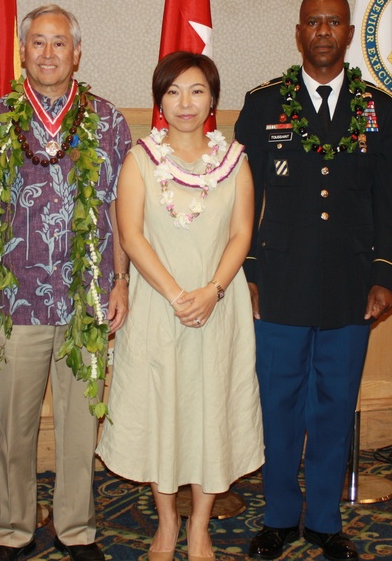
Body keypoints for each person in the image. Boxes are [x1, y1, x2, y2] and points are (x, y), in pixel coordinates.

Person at [234, 0, 392, 561]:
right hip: (278, 283)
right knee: (278, 403)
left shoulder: (377, 107)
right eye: (314, 22)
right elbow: (242, 197)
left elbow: (391, 197)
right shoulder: (263, 105)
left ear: (350, 31)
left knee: (334, 404)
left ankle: (326, 521)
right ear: (299, 32)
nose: (325, 31)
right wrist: (248, 273)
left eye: (335, 22)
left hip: (350, 285)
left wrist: (385, 274)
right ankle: (280, 516)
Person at [0, 4, 132, 561]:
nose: (49, 53)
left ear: (77, 52)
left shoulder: (108, 121)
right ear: (23, 50)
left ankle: (75, 529)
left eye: (60, 43)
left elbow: (119, 211)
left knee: (80, 424)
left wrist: (121, 281)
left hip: (86, 298)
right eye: (38, 42)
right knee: (13, 426)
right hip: (13, 298)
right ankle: (11, 529)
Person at [96, 52, 264, 561]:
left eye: (196, 91)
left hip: (219, 304)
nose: (185, 103)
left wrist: (211, 291)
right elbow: (130, 234)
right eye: (173, 92)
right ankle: (167, 523)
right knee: (162, 411)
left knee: (213, 410)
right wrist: (175, 295)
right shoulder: (141, 158)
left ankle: (200, 527)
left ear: (213, 98)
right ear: (159, 100)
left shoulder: (235, 159)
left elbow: (242, 233)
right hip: (158, 305)